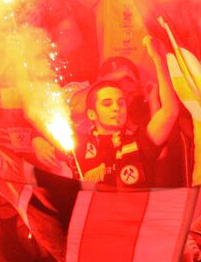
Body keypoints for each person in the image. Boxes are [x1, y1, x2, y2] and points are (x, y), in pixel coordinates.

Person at [75, 35, 180, 187]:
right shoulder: (78, 143)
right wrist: (36, 139)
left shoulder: (138, 141)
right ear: (92, 113)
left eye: (121, 102)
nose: (116, 108)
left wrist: (157, 59)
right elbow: (70, 108)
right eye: (107, 103)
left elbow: (170, 112)